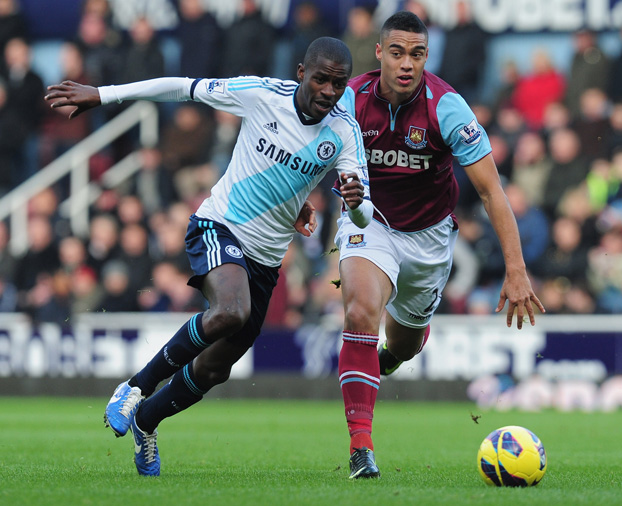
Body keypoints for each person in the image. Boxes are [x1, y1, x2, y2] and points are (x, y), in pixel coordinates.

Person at [44, 36, 373, 477]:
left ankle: (147, 421)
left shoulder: (344, 131)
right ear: (301, 72)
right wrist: (104, 95)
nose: (329, 92)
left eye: (338, 83)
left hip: (267, 259)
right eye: (321, 80)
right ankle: (134, 387)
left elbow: (365, 213)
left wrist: (354, 203)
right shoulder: (261, 95)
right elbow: (182, 86)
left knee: (215, 368)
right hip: (219, 225)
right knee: (231, 311)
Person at [334, 11, 544, 479]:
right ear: (379, 54)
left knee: (405, 344)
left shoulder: (447, 106)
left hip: (430, 237)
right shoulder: (349, 100)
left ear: (426, 57)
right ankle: (361, 447)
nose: (407, 63)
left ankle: (391, 354)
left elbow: (492, 192)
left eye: (417, 54)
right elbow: (308, 152)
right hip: (370, 221)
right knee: (359, 311)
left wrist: (516, 269)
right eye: (397, 52)